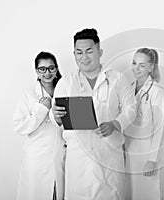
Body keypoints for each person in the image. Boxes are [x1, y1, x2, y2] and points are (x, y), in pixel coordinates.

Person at [51, 28, 136, 200]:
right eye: (79, 52)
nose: (84, 57)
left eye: (89, 51)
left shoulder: (117, 79)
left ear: (100, 51)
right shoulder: (65, 83)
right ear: (74, 54)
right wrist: (56, 115)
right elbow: (56, 118)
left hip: (109, 156)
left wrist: (115, 124)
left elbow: (131, 109)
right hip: (78, 158)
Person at [13, 51, 65, 200]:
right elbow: (19, 125)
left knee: (57, 193)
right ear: (36, 71)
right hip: (37, 158)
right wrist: (41, 110)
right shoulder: (29, 94)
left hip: (60, 154)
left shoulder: (64, 90)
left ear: (56, 69)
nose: (47, 73)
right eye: (42, 69)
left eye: (51, 68)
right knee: (36, 194)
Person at [124, 48, 164, 200]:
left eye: (142, 65)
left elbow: (160, 128)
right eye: (134, 63)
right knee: (130, 192)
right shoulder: (128, 88)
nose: (136, 68)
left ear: (151, 67)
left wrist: (152, 159)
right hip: (128, 149)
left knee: (146, 193)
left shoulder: (156, 91)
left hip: (146, 151)